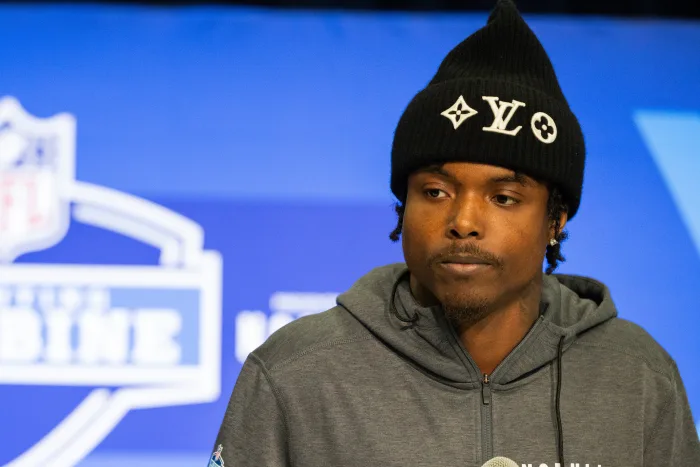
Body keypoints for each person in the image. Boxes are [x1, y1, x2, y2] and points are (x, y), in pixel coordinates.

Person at [210, 1, 700, 466]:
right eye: (436, 191)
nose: (463, 221)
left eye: (503, 197)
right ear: (402, 206)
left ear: (557, 219)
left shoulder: (639, 376)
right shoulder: (295, 372)